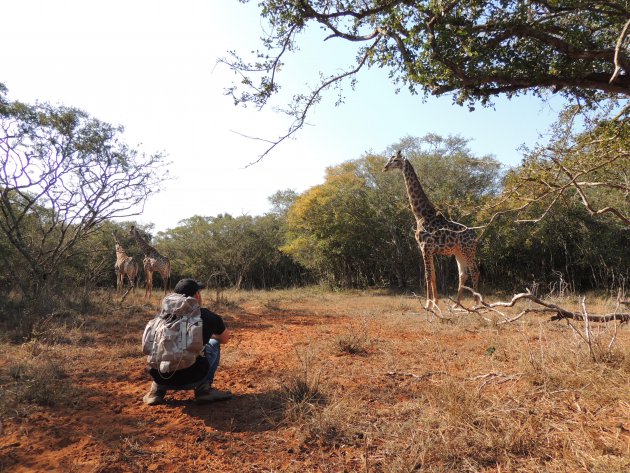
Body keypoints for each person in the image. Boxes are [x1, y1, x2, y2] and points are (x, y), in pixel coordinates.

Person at [142, 278, 232, 405]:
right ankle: (204, 389)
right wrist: (208, 337)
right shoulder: (205, 316)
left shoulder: (162, 316)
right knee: (214, 344)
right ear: (196, 295)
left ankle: (156, 391)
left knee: (162, 350)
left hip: (160, 376)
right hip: (192, 376)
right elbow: (225, 339)